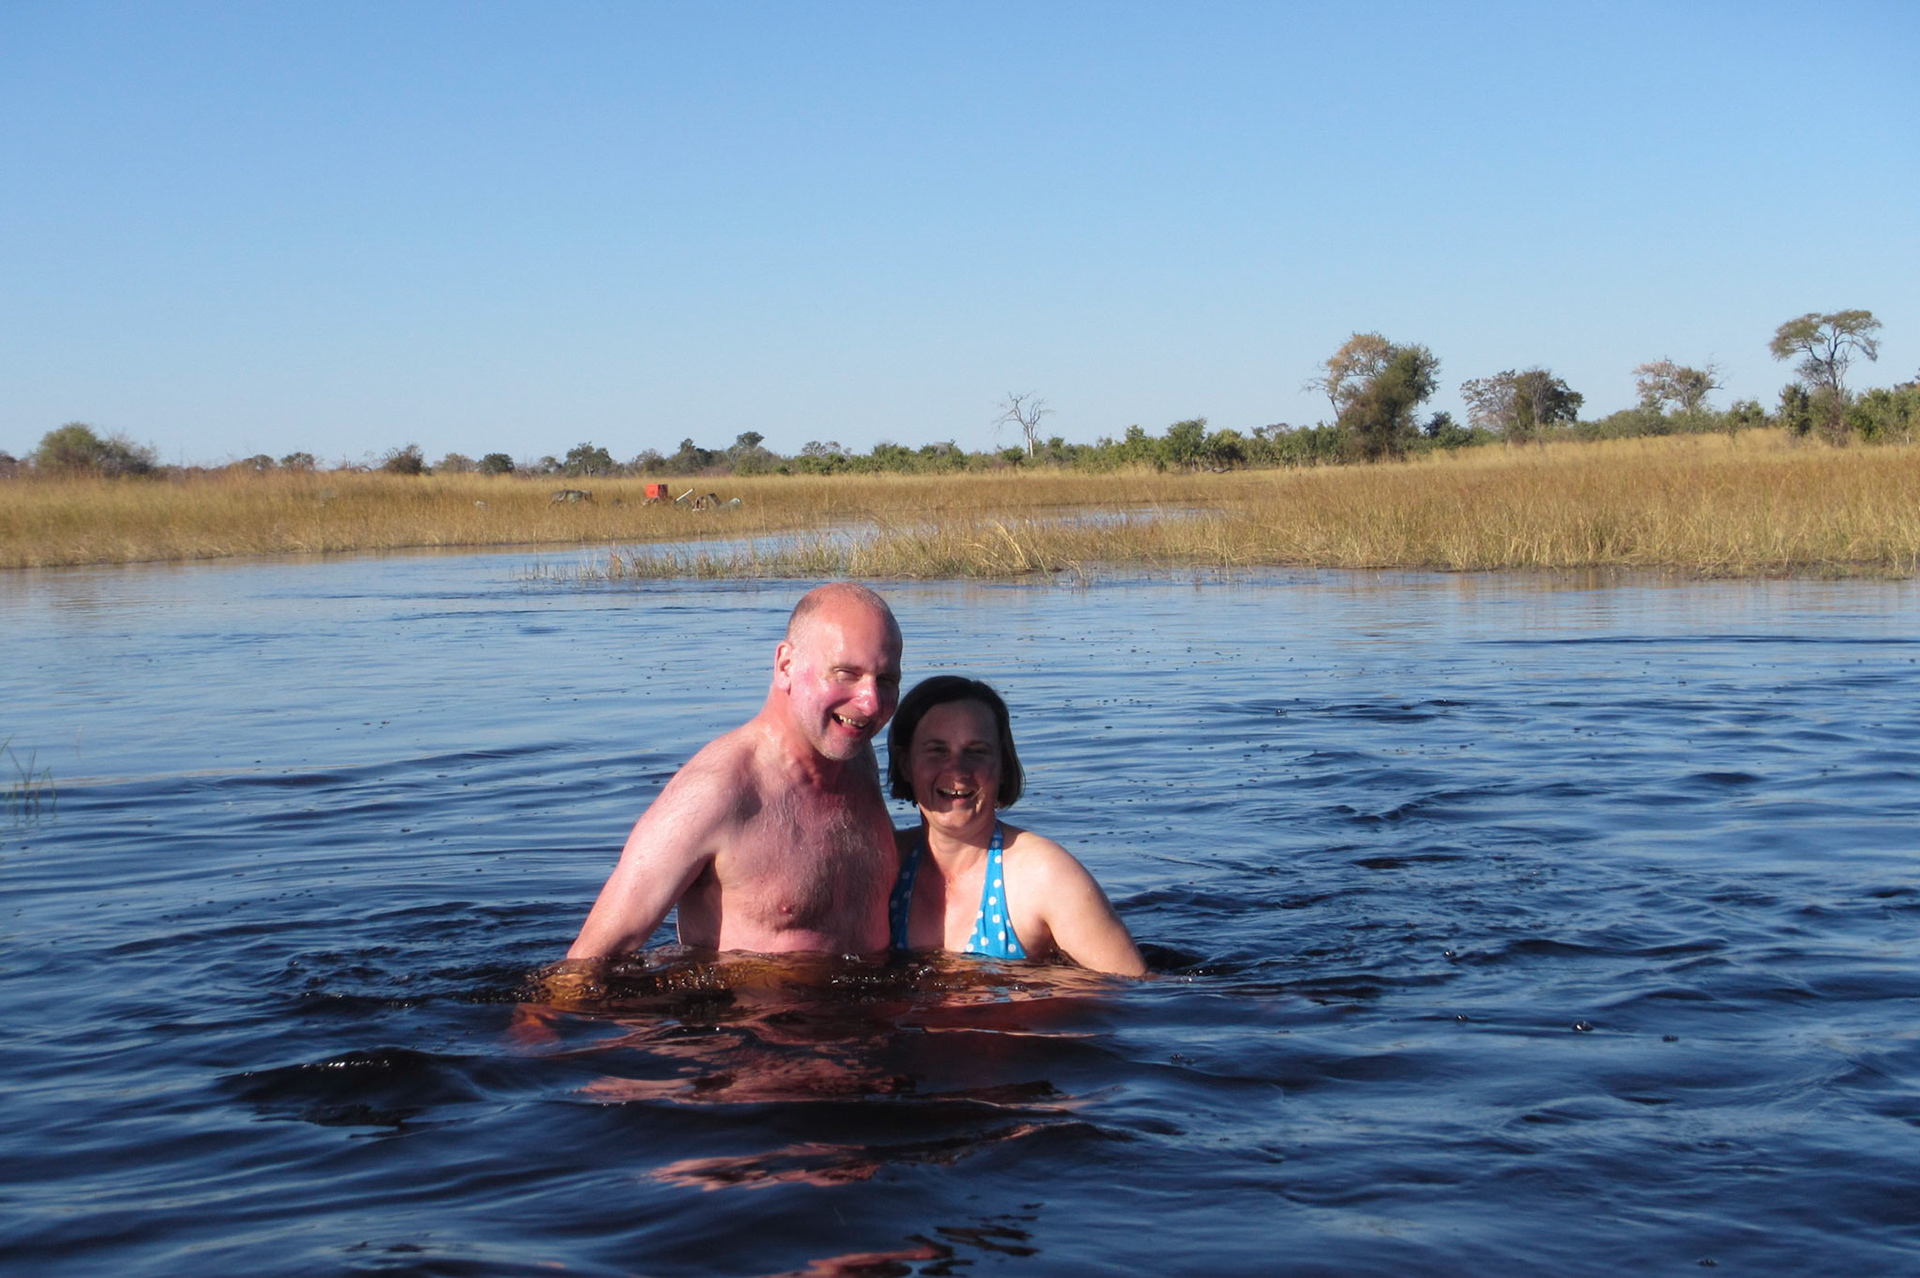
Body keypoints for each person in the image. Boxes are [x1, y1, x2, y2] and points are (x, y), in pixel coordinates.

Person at [567, 582, 903, 959]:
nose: (871, 704)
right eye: (846, 673)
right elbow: (589, 959)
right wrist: (537, 1018)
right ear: (786, 666)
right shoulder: (716, 792)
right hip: (749, 1014)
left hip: (875, 1011)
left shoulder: (858, 759)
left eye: (887, 680)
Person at [885, 676, 1146, 976]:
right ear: (906, 764)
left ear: (1003, 766)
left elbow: (1135, 992)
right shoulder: (886, 866)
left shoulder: (1046, 875)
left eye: (976, 751)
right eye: (937, 750)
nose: (957, 770)